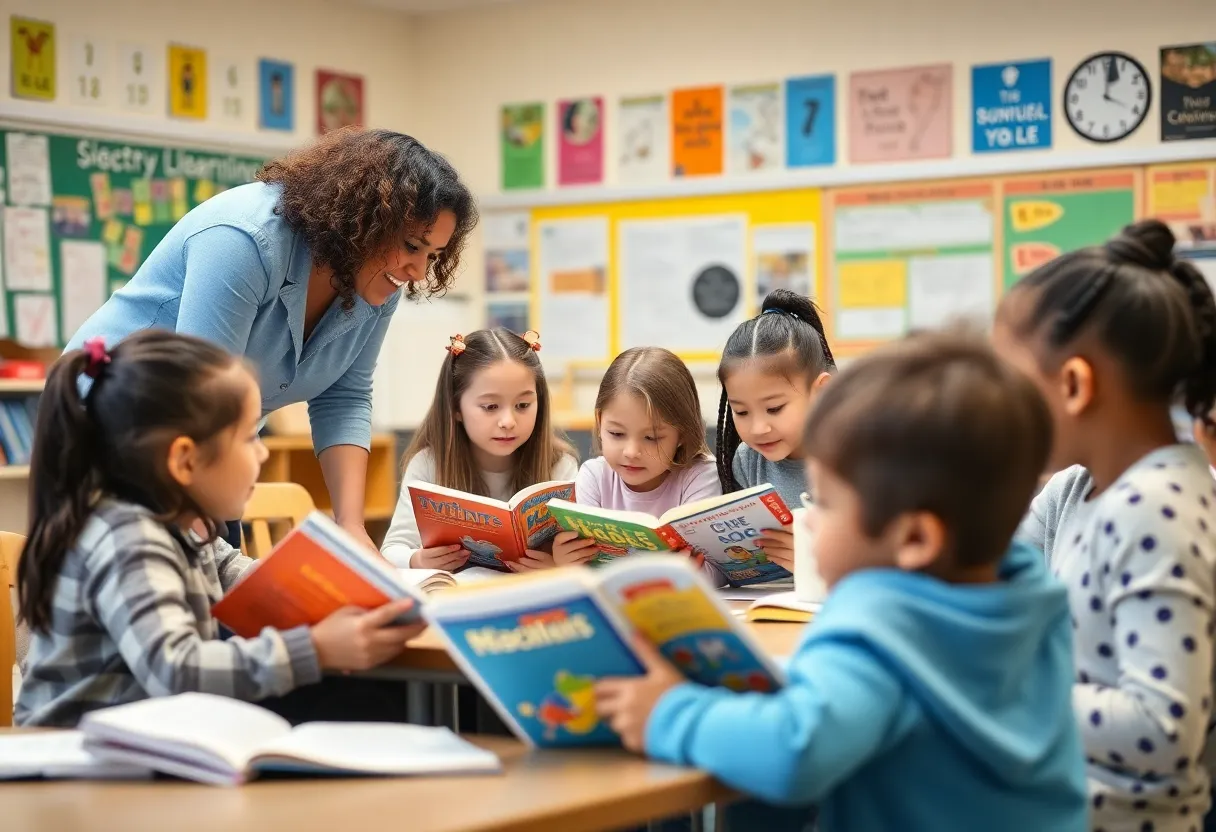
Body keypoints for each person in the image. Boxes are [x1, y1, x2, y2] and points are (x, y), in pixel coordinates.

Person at [594, 330, 1087, 832]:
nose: (806, 520)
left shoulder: (882, 629)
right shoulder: (1029, 596)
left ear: (914, 539)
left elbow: (794, 750)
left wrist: (668, 712)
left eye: (825, 503)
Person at [64, 128, 477, 553]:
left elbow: (346, 396)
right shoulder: (244, 239)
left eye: (433, 256)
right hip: (115, 427)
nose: (418, 271)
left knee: (220, 589)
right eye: (412, 245)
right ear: (365, 218)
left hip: (210, 443)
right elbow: (201, 395)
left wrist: (351, 526)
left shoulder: (380, 278)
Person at [15, 331, 423, 727]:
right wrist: (315, 649)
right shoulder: (127, 536)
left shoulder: (185, 524)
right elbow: (176, 669)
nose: (262, 452)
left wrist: (346, 597)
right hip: (81, 762)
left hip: (150, 740)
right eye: (249, 438)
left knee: (367, 700)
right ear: (185, 461)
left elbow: (249, 580)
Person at [999, 220, 1216, 830]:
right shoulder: (1076, 488)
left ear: (1072, 385)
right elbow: (993, 580)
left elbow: (1163, 729)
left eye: (1010, 386)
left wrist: (1003, 696)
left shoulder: (1156, 505)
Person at [381, 328, 578, 570]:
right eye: (490, 406)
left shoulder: (559, 465)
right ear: (456, 408)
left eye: (523, 405)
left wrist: (557, 566)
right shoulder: (429, 463)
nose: (508, 421)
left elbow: (583, 555)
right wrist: (416, 560)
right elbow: (391, 551)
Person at [553, 347, 719, 567]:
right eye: (617, 434)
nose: (631, 452)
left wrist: (693, 571)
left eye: (651, 437)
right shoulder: (594, 476)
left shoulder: (700, 476)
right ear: (600, 422)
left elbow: (717, 568)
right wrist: (566, 563)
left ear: (682, 434)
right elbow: (587, 569)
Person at [715, 289, 835, 573]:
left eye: (775, 408)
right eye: (741, 412)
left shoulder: (857, 458)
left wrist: (813, 561)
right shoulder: (746, 461)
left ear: (820, 392)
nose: (758, 428)